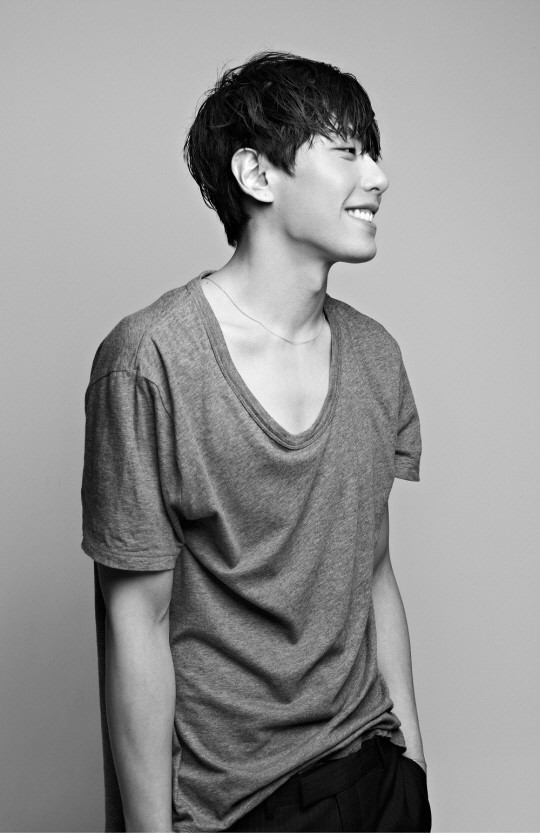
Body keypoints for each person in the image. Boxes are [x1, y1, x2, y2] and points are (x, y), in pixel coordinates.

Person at [81, 51, 431, 833]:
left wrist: (413, 763)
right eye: (348, 152)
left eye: (373, 154)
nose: (378, 177)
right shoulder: (151, 361)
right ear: (258, 173)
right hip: (236, 806)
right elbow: (136, 625)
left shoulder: (376, 356)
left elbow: (373, 570)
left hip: (375, 776)